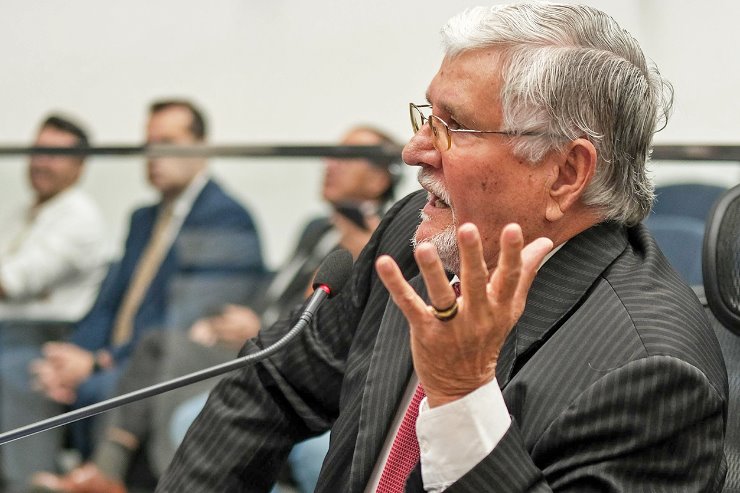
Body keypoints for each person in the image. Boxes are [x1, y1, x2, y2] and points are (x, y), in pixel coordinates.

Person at [159, 4, 727, 491]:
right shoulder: (417, 234)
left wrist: (462, 397)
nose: (413, 151)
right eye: (427, 116)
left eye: (453, 126)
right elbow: (272, 385)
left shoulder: (653, 372)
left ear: (564, 173)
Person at [29, 126, 402, 493]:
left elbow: (333, 325)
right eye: (330, 154)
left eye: (347, 157)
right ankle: (109, 471)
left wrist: (264, 324)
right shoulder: (316, 228)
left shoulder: (382, 242)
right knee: (159, 343)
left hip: (294, 357)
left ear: (379, 178)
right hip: (259, 339)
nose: (329, 164)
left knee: (169, 353)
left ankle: (131, 475)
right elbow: (273, 294)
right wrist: (237, 320)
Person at [0, 99, 266, 490]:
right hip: (115, 354)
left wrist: (95, 363)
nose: (153, 155)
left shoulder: (224, 217)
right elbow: (109, 304)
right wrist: (73, 354)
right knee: (23, 370)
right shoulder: (143, 218)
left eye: (167, 143)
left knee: (106, 388)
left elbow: (186, 319)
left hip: (164, 364)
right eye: (148, 144)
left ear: (201, 147)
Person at [0, 114, 108, 325]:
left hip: (40, 334)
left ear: (80, 165)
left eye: (53, 154)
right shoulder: (23, 212)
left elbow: (11, 281)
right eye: (37, 151)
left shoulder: (81, 219)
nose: (40, 162)